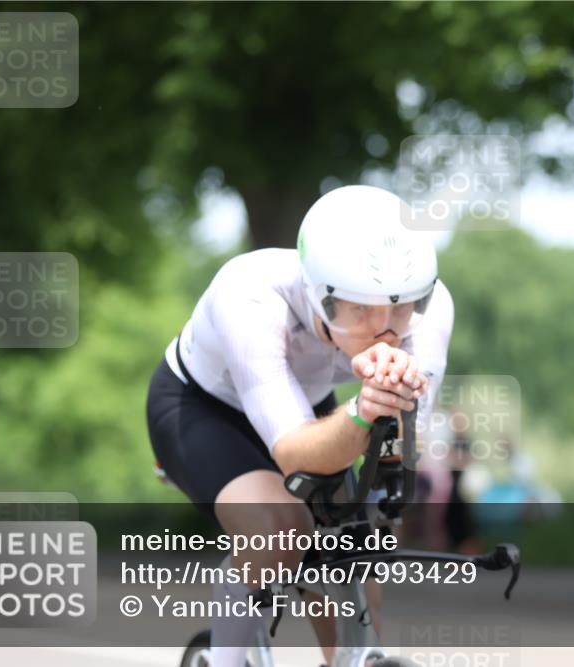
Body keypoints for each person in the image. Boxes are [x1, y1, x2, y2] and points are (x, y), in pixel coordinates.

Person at [145, 185, 453, 667]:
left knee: (352, 553)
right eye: (361, 309)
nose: (388, 328)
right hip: (202, 410)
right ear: (318, 295)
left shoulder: (427, 310)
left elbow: (398, 453)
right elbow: (293, 451)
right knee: (280, 529)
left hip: (307, 405)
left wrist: (374, 495)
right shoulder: (249, 294)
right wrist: (363, 412)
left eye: (400, 307)